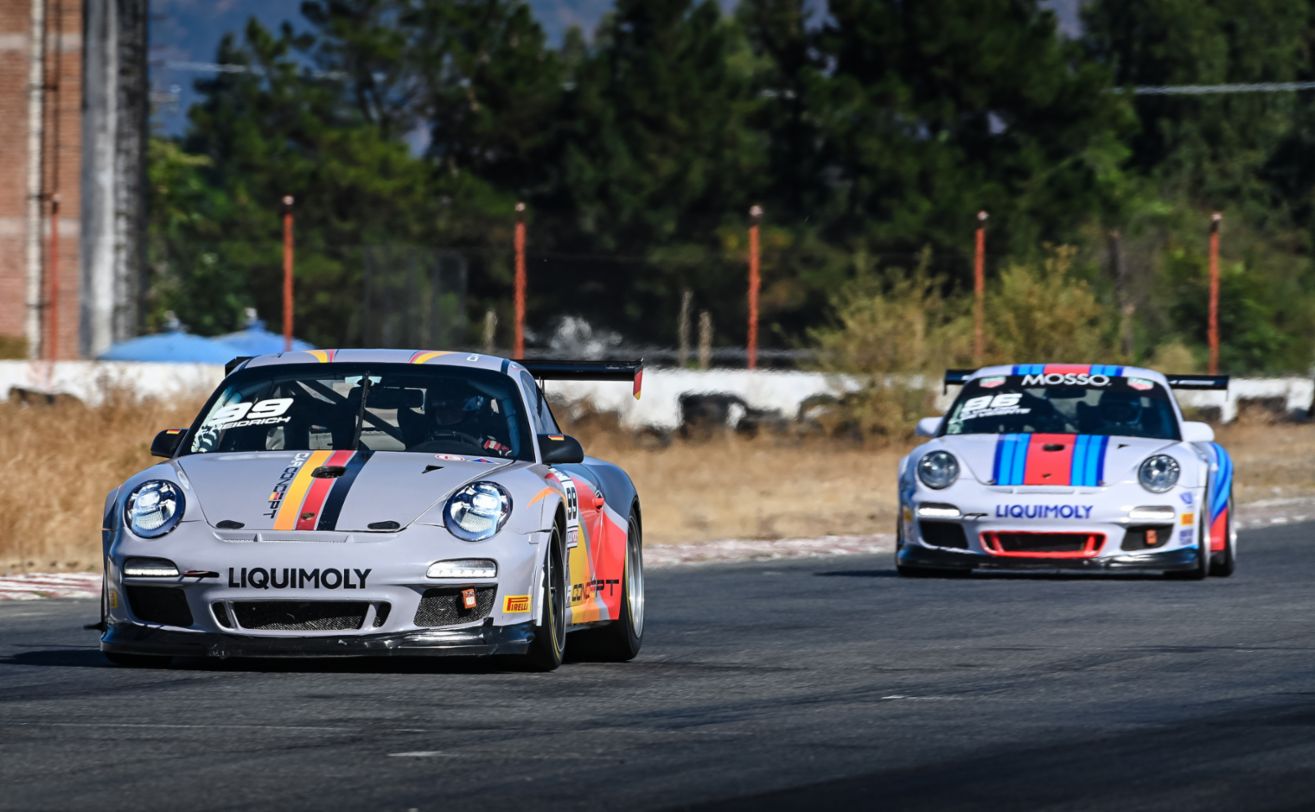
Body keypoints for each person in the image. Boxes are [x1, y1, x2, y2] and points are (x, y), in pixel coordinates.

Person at [424, 390, 513, 456]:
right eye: (440, 405)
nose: (446, 411)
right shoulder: (418, 430)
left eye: (454, 406)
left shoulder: (482, 432)